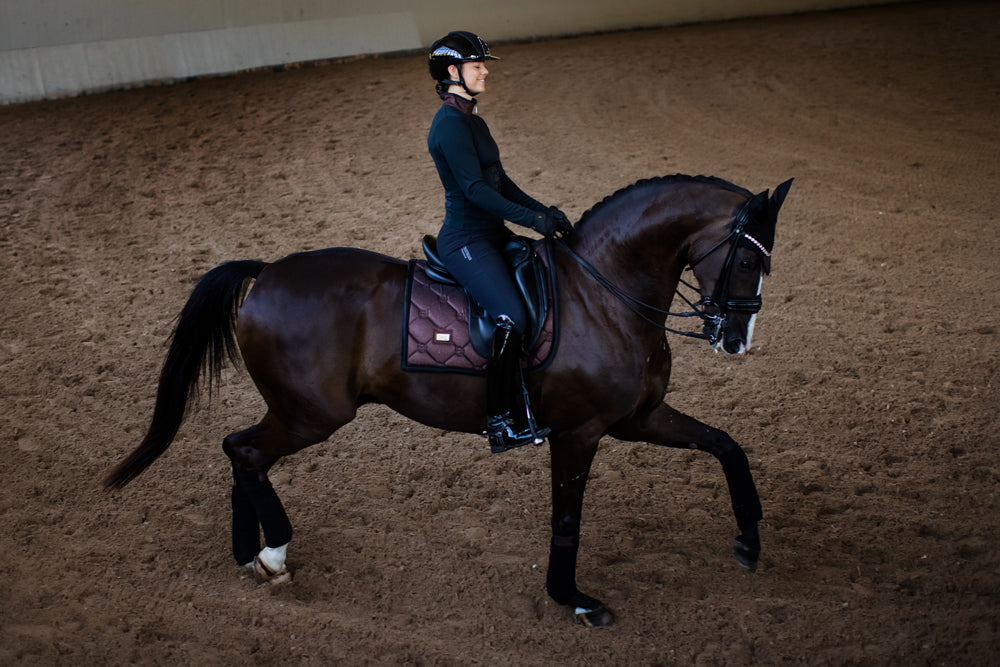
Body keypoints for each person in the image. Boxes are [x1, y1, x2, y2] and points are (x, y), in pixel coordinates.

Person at [426, 30, 572, 453]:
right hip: (467, 240)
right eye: (477, 65)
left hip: (493, 233)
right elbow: (477, 191)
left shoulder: (473, 119)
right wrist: (531, 220)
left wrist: (544, 212)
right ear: (453, 72)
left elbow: (501, 182)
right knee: (512, 315)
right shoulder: (450, 126)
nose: (485, 70)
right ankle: (499, 419)